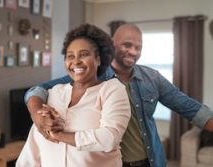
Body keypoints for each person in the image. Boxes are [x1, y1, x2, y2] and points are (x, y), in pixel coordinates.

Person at [25, 23, 213, 167]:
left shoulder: (152, 78)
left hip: (149, 160)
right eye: (127, 45)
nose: (133, 51)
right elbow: (36, 91)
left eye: (138, 47)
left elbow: (190, 108)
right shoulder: (89, 76)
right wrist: (36, 115)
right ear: (112, 45)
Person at [16, 23, 131, 167]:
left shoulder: (112, 90)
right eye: (70, 56)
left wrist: (58, 135)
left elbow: (109, 138)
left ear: (98, 59)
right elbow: (33, 150)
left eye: (84, 54)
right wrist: (39, 119)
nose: (76, 61)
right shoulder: (55, 92)